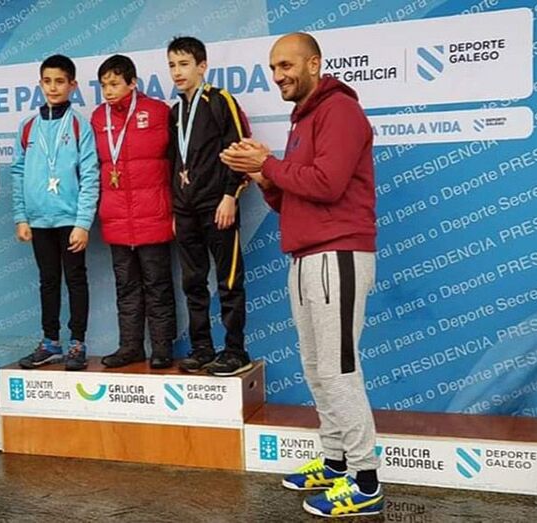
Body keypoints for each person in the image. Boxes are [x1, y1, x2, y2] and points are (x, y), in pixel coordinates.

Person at [220, 32, 382, 517]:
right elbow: (292, 197)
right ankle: (335, 462)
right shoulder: (304, 118)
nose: (278, 76)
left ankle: (366, 482)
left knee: (338, 369)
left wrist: (269, 163)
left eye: (286, 65)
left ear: (314, 64)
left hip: (338, 255)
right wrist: (263, 176)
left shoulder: (340, 111)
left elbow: (328, 184)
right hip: (306, 256)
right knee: (316, 368)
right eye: (273, 68)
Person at [166, 36, 253, 377]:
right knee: (193, 282)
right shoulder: (176, 112)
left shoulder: (220, 101)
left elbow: (239, 149)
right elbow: (175, 163)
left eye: (184, 64)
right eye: (172, 65)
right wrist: (177, 208)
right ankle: (202, 348)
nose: (177, 72)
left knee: (229, 281)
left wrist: (230, 195)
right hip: (186, 210)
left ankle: (235, 351)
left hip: (218, 206)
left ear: (202, 66)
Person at [12, 54, 99, 371]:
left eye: (59, 81)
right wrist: (21, 217)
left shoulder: (79, 125)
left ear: (72, 85)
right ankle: (50, 342)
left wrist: (83, 223)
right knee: (47, 280)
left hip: (70, 220)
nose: (53, 87)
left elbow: (90, 174)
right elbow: (18, 173)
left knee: (75, 279)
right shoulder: (27, 127)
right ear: (40, 84)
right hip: (38, 220)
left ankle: (77, 342)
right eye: (47, 81)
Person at [90, 54, 176, 369]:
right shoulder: (98, 118)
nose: (108, 91)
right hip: (116, 219)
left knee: (158, 286)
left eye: (114, 84)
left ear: (132, 83)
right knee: (125, 287)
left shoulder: (158, 112)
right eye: (104, 86)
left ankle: (162, 348)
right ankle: (130, 347)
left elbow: (176, 160)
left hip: (153, 216)